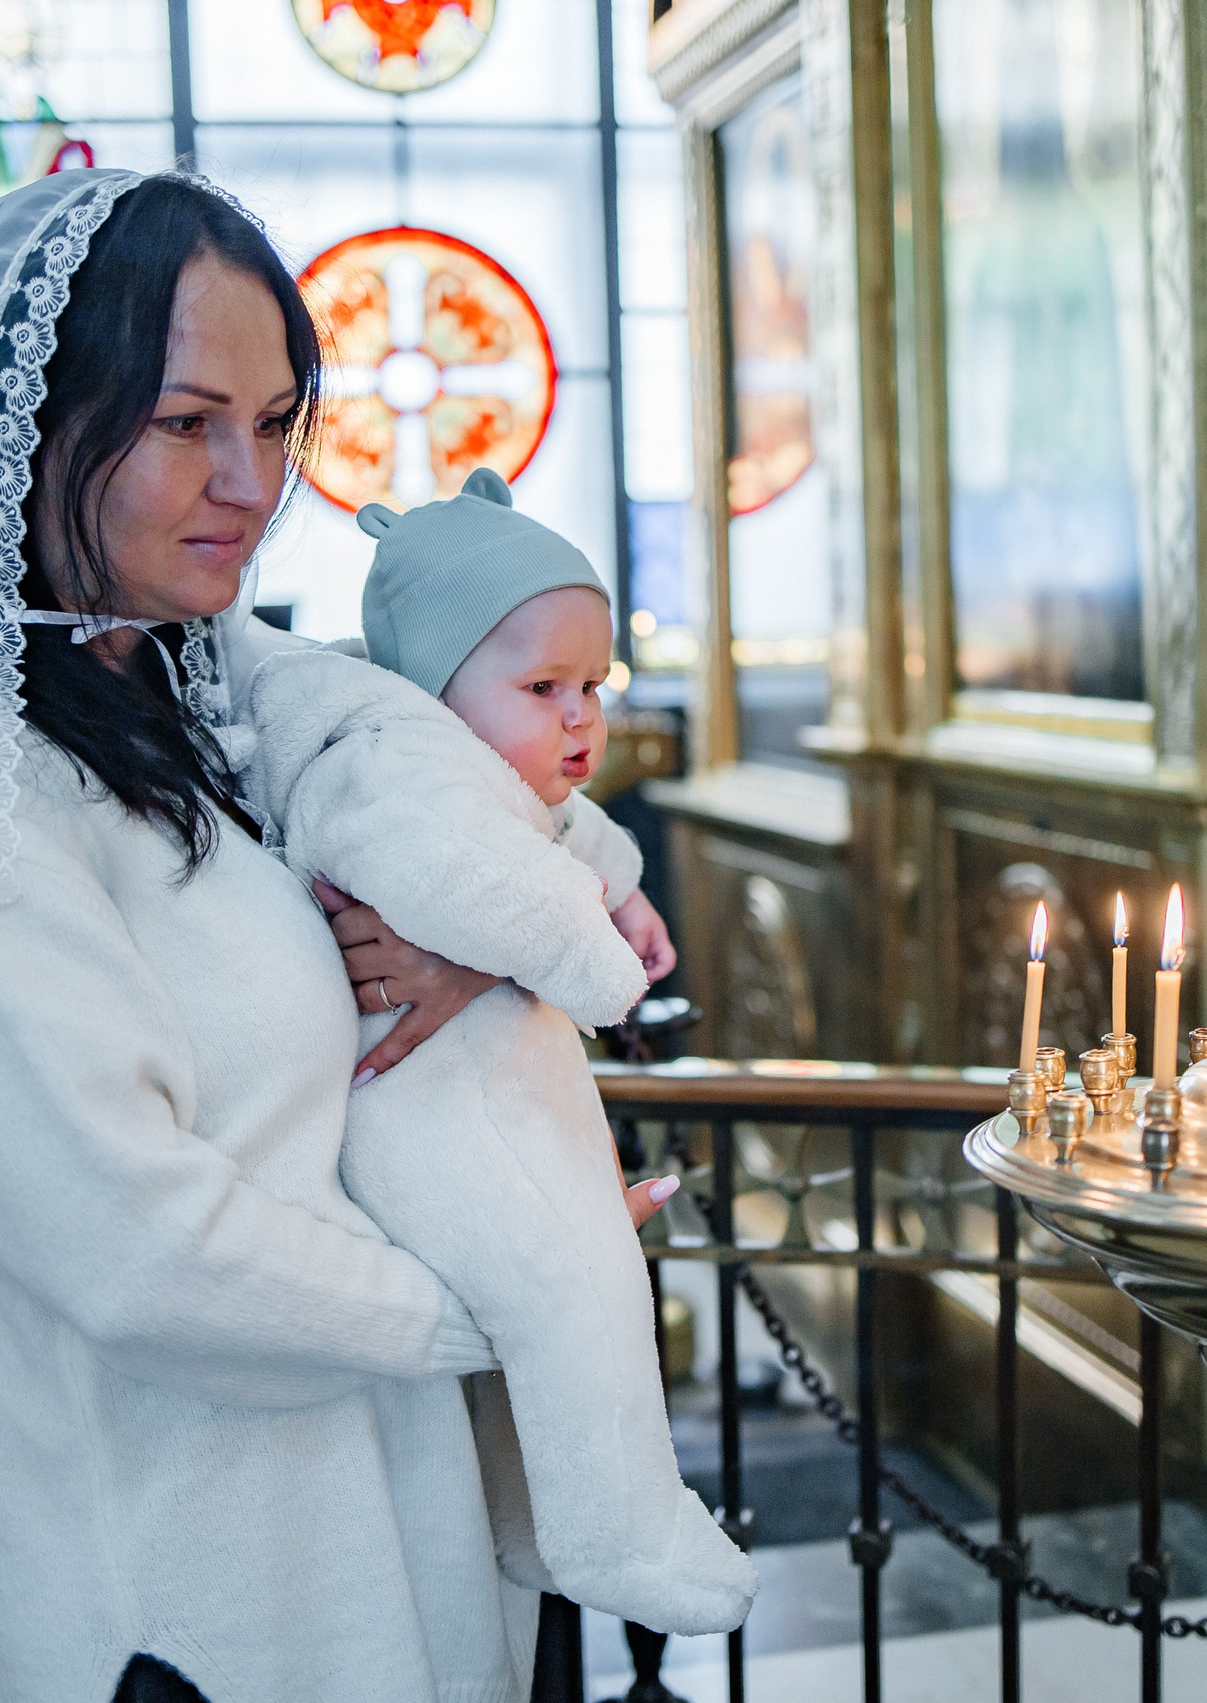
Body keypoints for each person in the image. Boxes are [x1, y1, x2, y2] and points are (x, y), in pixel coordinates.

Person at [0, 169, 669, 1703]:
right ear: (39, 423)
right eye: (186, 423)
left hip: (393, 1498)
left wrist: (479, 943)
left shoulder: (195, 681)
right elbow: (134, 1244)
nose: (254, 477)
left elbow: (469, 809)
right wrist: (520, 1296)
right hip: (200, 1573)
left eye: (281, 419)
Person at [227, 470, 753, 1635]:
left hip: (498, 1110)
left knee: (549, 1315)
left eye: (593, 687)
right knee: (572, 1289)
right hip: (428, 1119)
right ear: (433, 687)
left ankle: (528, 1518)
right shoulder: (390, 764)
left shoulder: (489, 771)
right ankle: (626, 1531)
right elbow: (489, 889)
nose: (581, 720)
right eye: (543, 686)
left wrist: (622, 895)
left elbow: (568, 837)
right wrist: (599, 965)